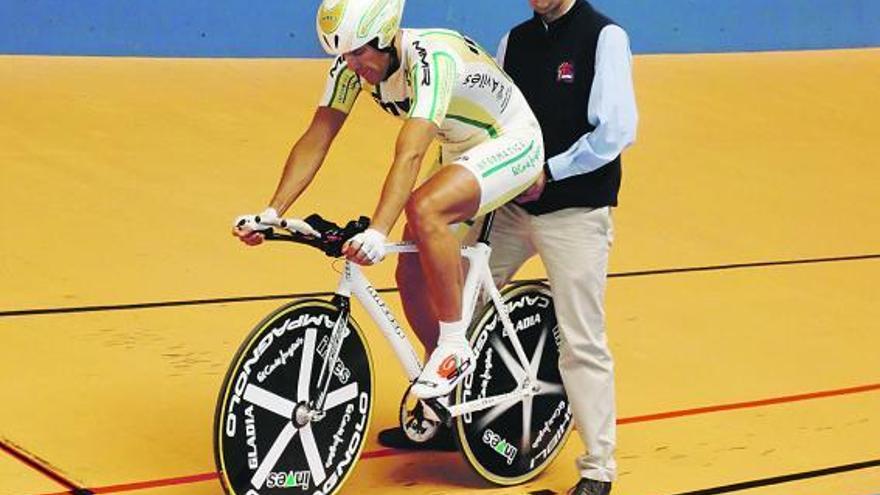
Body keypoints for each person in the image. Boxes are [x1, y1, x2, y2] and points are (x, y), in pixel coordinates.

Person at [232, 0, 545, 401]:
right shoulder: (349, 67)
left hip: (511, 140)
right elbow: (317, 137)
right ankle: (445, 385)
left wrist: (378, 231)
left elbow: (410, 153)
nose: (350, 63)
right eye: (342, 55)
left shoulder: (432, 59)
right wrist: (272, 211)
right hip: (460, 149)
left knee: (424, 208)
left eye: (358, 52)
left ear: (385, 37)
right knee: (409, 269)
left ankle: (454, 345)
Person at [387, 1, 637, 493]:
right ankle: (443, 414)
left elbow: (616, 130)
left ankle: (598, 469)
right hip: (513, 209)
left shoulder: (605, 37)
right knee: (458, 307)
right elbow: (493, 123)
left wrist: (554, 171)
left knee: (581, 338)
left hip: (575, 212)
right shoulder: (514, 41)